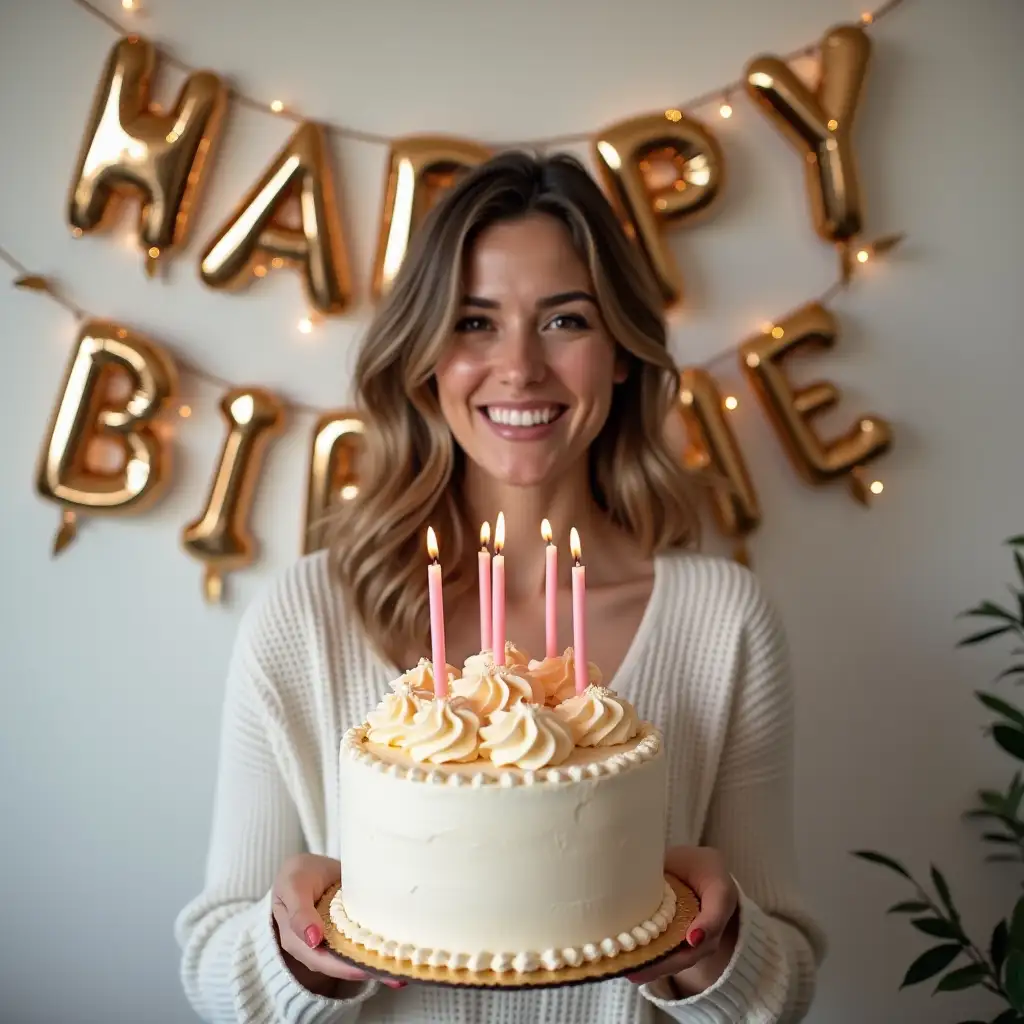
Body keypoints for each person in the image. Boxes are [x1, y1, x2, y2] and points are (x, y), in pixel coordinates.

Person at [174, 150, 826, 1023]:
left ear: (623, 354)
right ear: (425, 358)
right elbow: (215, 969)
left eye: (565, 321)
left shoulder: (723, 622)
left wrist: (719, 947)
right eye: (475, 323)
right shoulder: (307, 617)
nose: (520, 368)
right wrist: (299, 956)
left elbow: (782, 992)